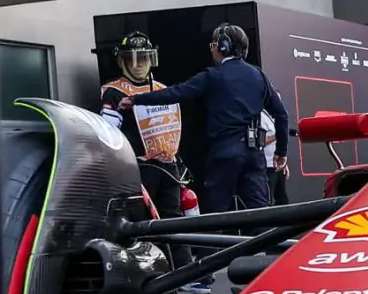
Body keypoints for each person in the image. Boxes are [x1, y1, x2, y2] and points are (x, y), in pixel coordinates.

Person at [119, 23, 288, 215]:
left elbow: (176, 93)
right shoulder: (259, 75)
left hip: (224, 154)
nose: (212, 49)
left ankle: (222, 246)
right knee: (260, 214)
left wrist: (136, 99)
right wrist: (281, 151)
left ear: (223, 47)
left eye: (213, 44)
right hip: (253, 154)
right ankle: (264, 245)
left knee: (216, 216)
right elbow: (282, 115)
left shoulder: (213, 76)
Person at [96, 32, 204, 294]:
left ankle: (185, 275)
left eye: (144, 58)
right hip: (138, 168)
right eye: (132, 59)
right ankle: (147, 277)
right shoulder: (114, 91)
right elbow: (108, 133)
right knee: (140, 224)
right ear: (121, 62)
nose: (139, 64)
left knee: (175, 220)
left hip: (169, 165)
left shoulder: (163, 88)